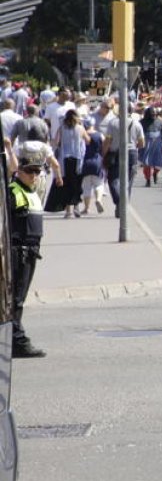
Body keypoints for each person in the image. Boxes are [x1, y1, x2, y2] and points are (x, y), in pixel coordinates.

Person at [8, 146, 49, 357]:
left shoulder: (31, 191)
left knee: (18, 298)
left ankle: (14, 338)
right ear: (19, 170)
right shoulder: (12, 191)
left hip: (30, 253)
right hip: (18, 253)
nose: (34, 175)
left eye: (37, 171)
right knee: (15, 299)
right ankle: (17, 341)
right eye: (29, 171)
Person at [100, 104, 146, 215]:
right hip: (132, 153)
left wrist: (103, 154)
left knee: (113, 179)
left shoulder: (113, 123)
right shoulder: (137, 124)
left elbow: (107, 141)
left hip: (116, 152)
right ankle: (124, 204)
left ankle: (119, 201)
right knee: (129, 180)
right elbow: (142, 144)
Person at [54, 109, 88, 218]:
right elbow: (88, 140)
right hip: (77, 159)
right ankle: (77, 207)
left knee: (67, 184)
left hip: (65, 159)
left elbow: (56, 142)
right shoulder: (80, 128)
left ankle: (68, 211)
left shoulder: (62, 128)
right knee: (77, 184)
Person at [79, 117, 106, 215]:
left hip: (85, 162)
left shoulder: (82, 135)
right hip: (97, 161)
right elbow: (104, 145)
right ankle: (98, 199)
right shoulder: (99, 135)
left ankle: (86, 208)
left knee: (86, 186)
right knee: (99, 184)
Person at [138, 106, 162, 186]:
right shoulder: (141, 122)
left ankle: (155, 173)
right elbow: (139, 134)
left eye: (155, 114)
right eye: (152, 114)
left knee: (159, 162)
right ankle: (148, 179)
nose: (153, 116)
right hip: (146, 144)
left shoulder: (159, 122)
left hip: (157, 144)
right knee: (147, 163)